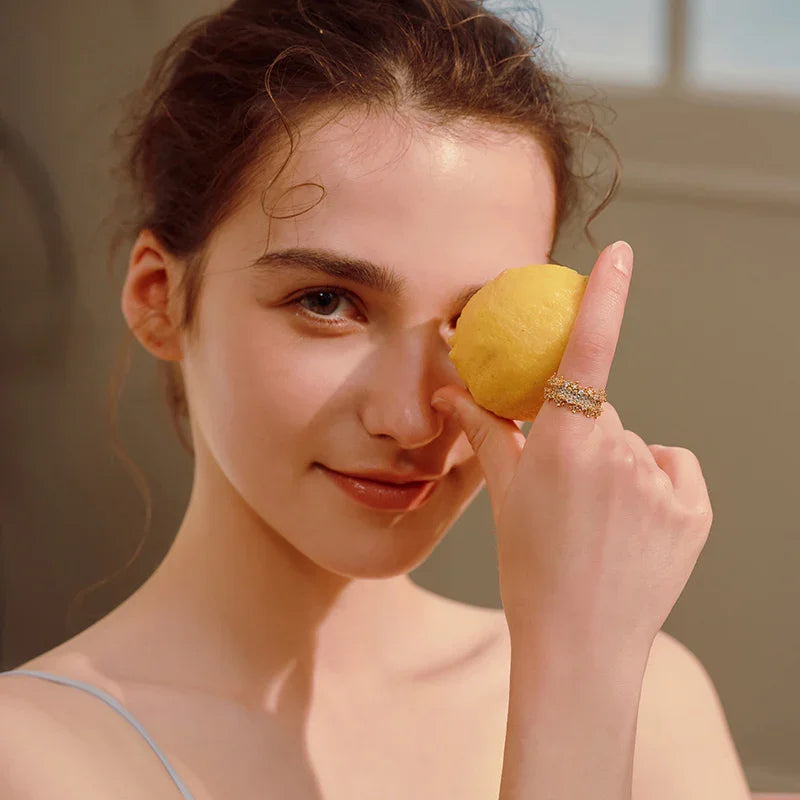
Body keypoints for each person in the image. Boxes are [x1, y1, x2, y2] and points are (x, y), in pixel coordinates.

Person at [0, 1, 752, 798]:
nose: (412, 418)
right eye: (327, 301)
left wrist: (579, 662)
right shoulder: (32, 757)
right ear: (159, 297)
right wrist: (576, 676)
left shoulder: (651, 696)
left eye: (474, 318)